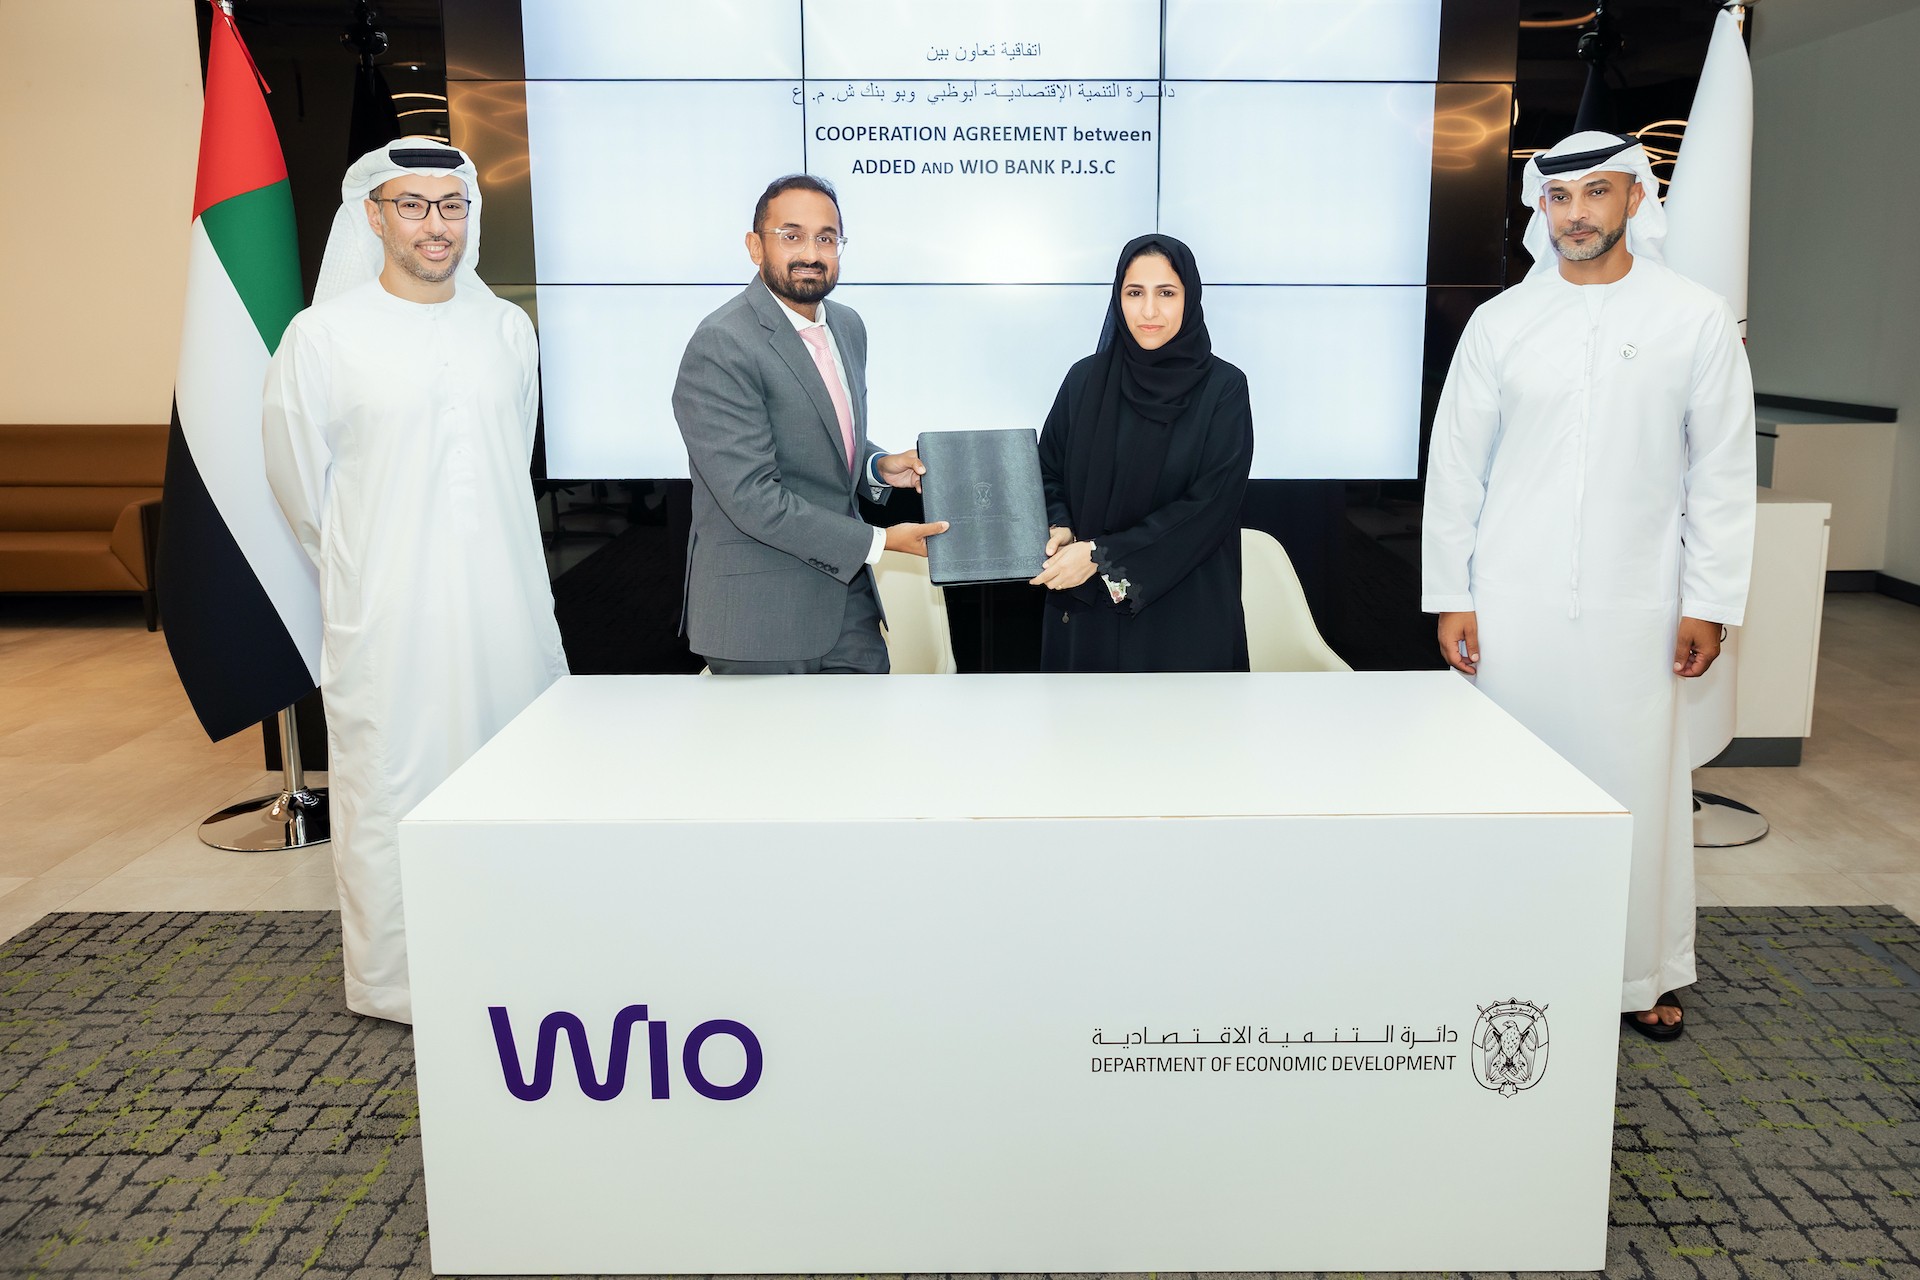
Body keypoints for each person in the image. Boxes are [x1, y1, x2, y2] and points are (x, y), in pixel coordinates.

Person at [1421, 131, 1756, 1042]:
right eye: (1560, 198)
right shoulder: (1501, 324)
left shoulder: (1693, 318)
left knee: (1633, 793)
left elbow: (1721, 473)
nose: (1576, 215)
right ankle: (1502, 961)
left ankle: (1636, 972)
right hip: (1512, 607)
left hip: (1637, 608)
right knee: (1509, 792)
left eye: (1596, 193)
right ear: (1543, 209)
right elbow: (1457, 469)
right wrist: (1453, 592)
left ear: (1636, 199)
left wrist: (1709, 600)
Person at [262, 139, 568, 1023]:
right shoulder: (322, 338)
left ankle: (519, 961)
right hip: (389, 616)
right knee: (393, 788)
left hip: (504, 607)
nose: (437, 225)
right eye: (413, 205)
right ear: (374, 216)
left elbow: (509, 457)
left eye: (452, 205)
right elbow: (301, 491)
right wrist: (375, 566)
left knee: (515, 773)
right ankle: (400, 985)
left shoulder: (506, 329)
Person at [671, 175, 946, 674]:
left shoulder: (847, 325)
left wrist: (878, 465)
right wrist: (881, 542)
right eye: (791, 235)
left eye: (826, 238)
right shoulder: (722, 342)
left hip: (848, 604)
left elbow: (819, 433)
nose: (811, 254)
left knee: (868, 728)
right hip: (759, 618)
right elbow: (751, 497)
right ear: (755, 246)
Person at [1031, 234, 1254, 672]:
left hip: (1182, 615)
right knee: (1081, 718)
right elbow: (1046, 471)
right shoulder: (1084, 381)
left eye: (1166, 293)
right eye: (1135, 293)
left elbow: (1208, 507)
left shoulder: (1223, 389)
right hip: (1084, 612)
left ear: (1190, 298)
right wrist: (1060, 526)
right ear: (1118, 299)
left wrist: (1100, 556)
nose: (1149, 311)